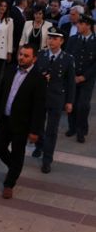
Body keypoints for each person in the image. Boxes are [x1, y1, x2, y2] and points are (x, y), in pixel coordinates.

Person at [0, 44, 46, 199]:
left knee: (18, 153)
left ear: (34, 59)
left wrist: (35, 131)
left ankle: (9, 183)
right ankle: (14, 167)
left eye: (26, 55)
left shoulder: (39, 79)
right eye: (20, 54)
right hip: (4, 119)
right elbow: (1, 93)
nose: (22, 57)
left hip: (22, 124)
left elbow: (39, 108)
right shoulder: (10, 70)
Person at [32, 27, 75, 173]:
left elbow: (70, 82)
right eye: (50, 37)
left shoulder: (68, 59)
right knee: (38, 125)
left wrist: (69, 102)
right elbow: (33, 76)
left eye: (55, 38)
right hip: (40, 97)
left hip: (56, 97)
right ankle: (39, 145)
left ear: (62, 41)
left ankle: (47, 159)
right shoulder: (41, 54)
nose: (51, 41)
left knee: (52, 130)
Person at [64, 14, 96, 143]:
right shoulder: (72, 39)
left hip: (87, 79)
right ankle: (72, 127)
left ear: (88, 25)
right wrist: (71, 75)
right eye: (77, 23)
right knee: (71, 103)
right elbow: (67, 57)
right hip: (73, 77)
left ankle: (81, 130)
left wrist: (84, 76)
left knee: (83, 105)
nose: (78, 26)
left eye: (81, 24)